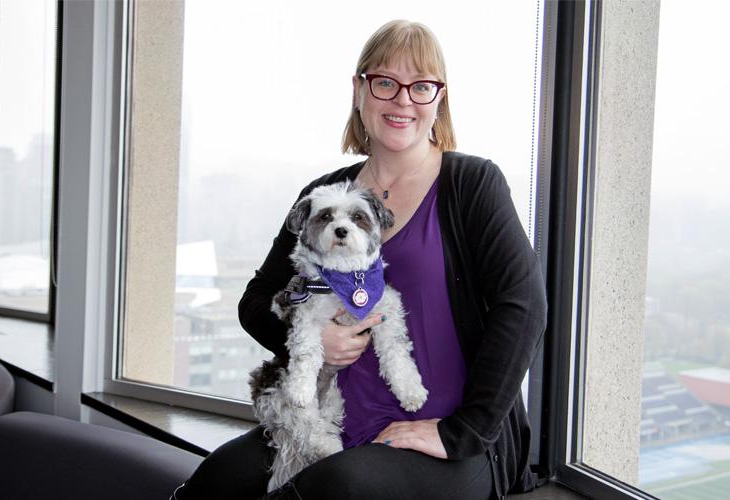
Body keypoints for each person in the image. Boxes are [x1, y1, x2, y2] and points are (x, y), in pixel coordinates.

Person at [173, 19, 546, 500]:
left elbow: (525, 305)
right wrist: (314, 340)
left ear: (440, 98)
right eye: (385, 82)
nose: (403, 100)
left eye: (421, 85)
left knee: (333, 488)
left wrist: (464, 431)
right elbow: (256, 301)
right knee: (218, 478)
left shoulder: (473, 184)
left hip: (445, 439)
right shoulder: (325, 197)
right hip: (335, 419)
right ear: (359, 89)